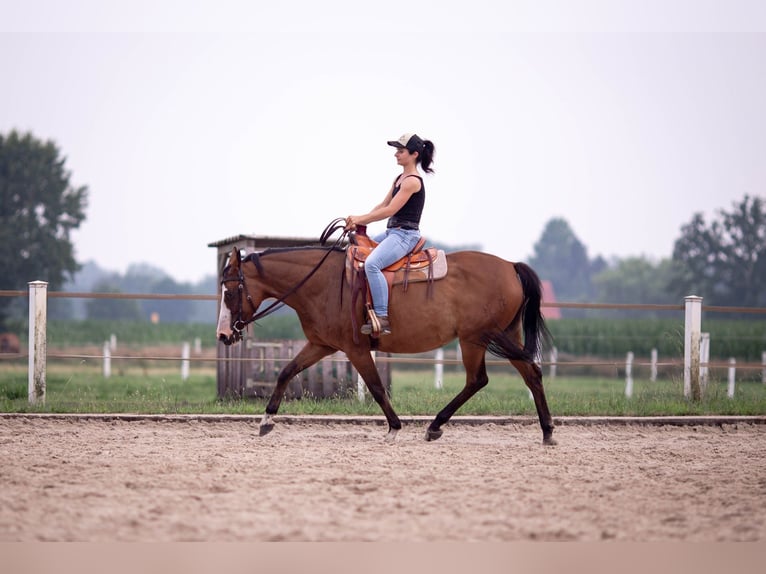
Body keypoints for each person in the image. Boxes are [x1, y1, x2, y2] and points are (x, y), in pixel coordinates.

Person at [345, 133, 435, 336]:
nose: (396, 154)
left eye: (400, 151)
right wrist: (360, 220)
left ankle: (382, 317)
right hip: (392, 233)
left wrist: (361, 219)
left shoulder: (412, 181)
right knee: (357, 253)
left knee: (372, 264)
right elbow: (382, 205)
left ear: (414, 154)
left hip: (405, 236)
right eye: (396, 150)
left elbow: (390, 210)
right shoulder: (399, 178)